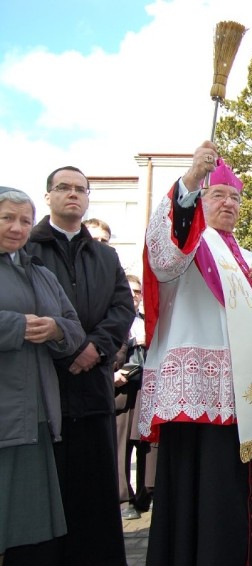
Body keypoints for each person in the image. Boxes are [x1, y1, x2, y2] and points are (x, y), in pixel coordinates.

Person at [138, 141, 252, 566]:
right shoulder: (190, 242)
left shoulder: (250, 256)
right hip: (200, 393)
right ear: (200, 201)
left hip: (249, 396)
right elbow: (163, 257)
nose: (229, 203)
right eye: (218, 194)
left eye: (236, 197)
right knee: (203, 489)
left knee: (244, 488)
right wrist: (190, 178)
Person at [26, 166, 135, 565]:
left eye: (80, 189)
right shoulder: (27, 251)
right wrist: (65, 351)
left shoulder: (105, 255)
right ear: (49, 195)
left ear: (88, 198)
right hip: (44, 385)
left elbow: (123, 307)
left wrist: (95, 349)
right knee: (44, 491)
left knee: (94, 493)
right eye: (63, 188)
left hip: (92, 389)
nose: (72, 194)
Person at [0, 187, 85, 566]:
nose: (17, 228)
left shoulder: (41, 273)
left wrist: (55, 330)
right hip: (4, 411)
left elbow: (74, 329)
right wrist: (15, 326)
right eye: (7, 218)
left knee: (22, 526)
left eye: (24, 220)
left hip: (33, 415)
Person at [113, 272, 151, 520]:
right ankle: (122, 499)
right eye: (130, 291)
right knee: (120, 447)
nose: (134, 296)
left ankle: (143, 499)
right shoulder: (116, 318)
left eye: (138, 292)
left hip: (144, 390)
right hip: (121, 389)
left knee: (145, 446)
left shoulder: (146, 318)